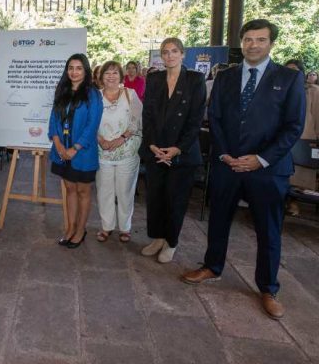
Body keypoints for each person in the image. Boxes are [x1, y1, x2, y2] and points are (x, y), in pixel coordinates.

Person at [182, 19, 305, 320]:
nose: (253, 45)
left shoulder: (289, 79)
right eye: (248, 39)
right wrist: (224, 154)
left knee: (268, 230)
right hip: (228, 165)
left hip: (267, 168)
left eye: (260, 40)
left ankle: (268, 287)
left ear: (271, 43)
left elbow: (293, 127)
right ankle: (213, 266)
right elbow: (217, 117)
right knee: (219, 219)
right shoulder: (226, 77)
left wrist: (259, 158)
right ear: (242, 42)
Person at [139, 37, 206, 263]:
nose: (169, 55)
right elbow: (147, 115)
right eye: (165, 52)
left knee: (175, 200)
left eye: (174, 51)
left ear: (183, 54)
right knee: (156, 198)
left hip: (182, 153)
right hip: (156, 150)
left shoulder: (195, 79)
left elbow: (195, 120)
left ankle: (171, 242)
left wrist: (177, 149)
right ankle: (157, 237)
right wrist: (151, 145)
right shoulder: (154, 78)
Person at [49, 53, 102, 249]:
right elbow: (53, 119)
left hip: (83, 153)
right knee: (69, 189)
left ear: (85, 70)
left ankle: (81, 229)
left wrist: (75, 148)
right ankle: (70, 228)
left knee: (82, 190)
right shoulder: (61, 90)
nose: (74, 72)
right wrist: (59, 145)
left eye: (78, 68)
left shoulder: (93, 93)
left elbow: (92, 124)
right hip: (62, 151)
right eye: (70, 68)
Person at [95, 61, 142, 243]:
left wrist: (121, 138)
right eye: (107, 73)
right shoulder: (95, 97)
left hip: (126, 152)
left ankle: (125, 227)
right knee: (104, 191)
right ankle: (106, 227)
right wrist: (101, 140)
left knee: (125, 192)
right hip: (102, 153)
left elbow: (137, 121)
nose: (111, 76)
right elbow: (89, 122)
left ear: (121, 76)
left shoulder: (130, 95)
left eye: (115, 73)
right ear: (101, 77)